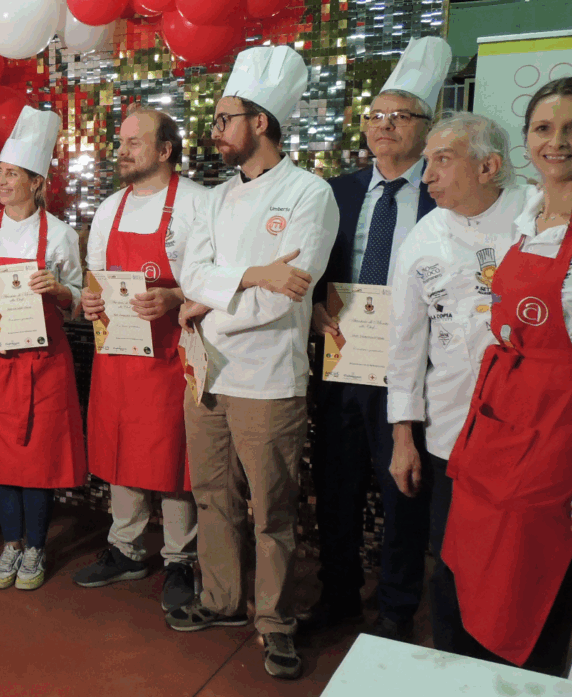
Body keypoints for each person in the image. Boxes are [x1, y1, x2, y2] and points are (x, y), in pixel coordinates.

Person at [438, 77, 572, 676]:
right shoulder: (524, 210)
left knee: (525, 590)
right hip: (497, 423)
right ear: (526, 142)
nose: (558, 142)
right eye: (544, 129)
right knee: (465, 574)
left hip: (563, 432)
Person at [169, 45, 339, 681]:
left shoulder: (310, 194)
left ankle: (275, 622)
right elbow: (193, 270)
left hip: (268, 378)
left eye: (223, 119)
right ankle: (219, 599)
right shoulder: (213, 199)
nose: (214, 133)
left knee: (271, 510)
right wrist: (249, 275)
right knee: (213, 495)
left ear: (260, 122)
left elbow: (285, 292)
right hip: (205, 373)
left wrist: (208, 302)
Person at [303, 37, 449, 641]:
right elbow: (310, 271)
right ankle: (337, 595)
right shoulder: (334, 194)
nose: (385, 126)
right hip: (341, 365)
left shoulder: (444, 198)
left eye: (401, 115)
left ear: (427, 127)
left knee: (402, 496)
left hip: (414, 373)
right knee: (335, 490)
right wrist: (315, 311)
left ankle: (394, 610)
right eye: (375, 116)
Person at [384, 111, 527, 652]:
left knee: (517, 564)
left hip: (527, 431)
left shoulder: (538, 218)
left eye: (442, 161)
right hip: (451, 433)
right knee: (453, 561)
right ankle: (454, 664)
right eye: (427, 164)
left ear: (489, 167)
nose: (426, 178)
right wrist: (403, 438)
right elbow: (404, 349)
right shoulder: (422, 241)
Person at [72, 106, 208, 614]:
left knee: (173, 455)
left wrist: (174, 296)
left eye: (133, 141)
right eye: (121, 141)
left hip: (173, 354)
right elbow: (96, 279)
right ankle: (126, 548)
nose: (121, 150)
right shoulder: (109, 209)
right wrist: (90, 303)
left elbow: (216, 279)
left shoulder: (198, 204)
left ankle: (179, 557)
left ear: (165, 150)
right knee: (121, 445)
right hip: (119, 353)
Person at [0, 106, 85, 591]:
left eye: (12, 174)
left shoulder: (62, 236)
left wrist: (57, 290)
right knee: (1, 459)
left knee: (39, 460)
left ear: (36, 182)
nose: (1, 181)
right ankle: (10, 543)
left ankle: (36, 546)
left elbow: (78, 301)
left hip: (46, 362)